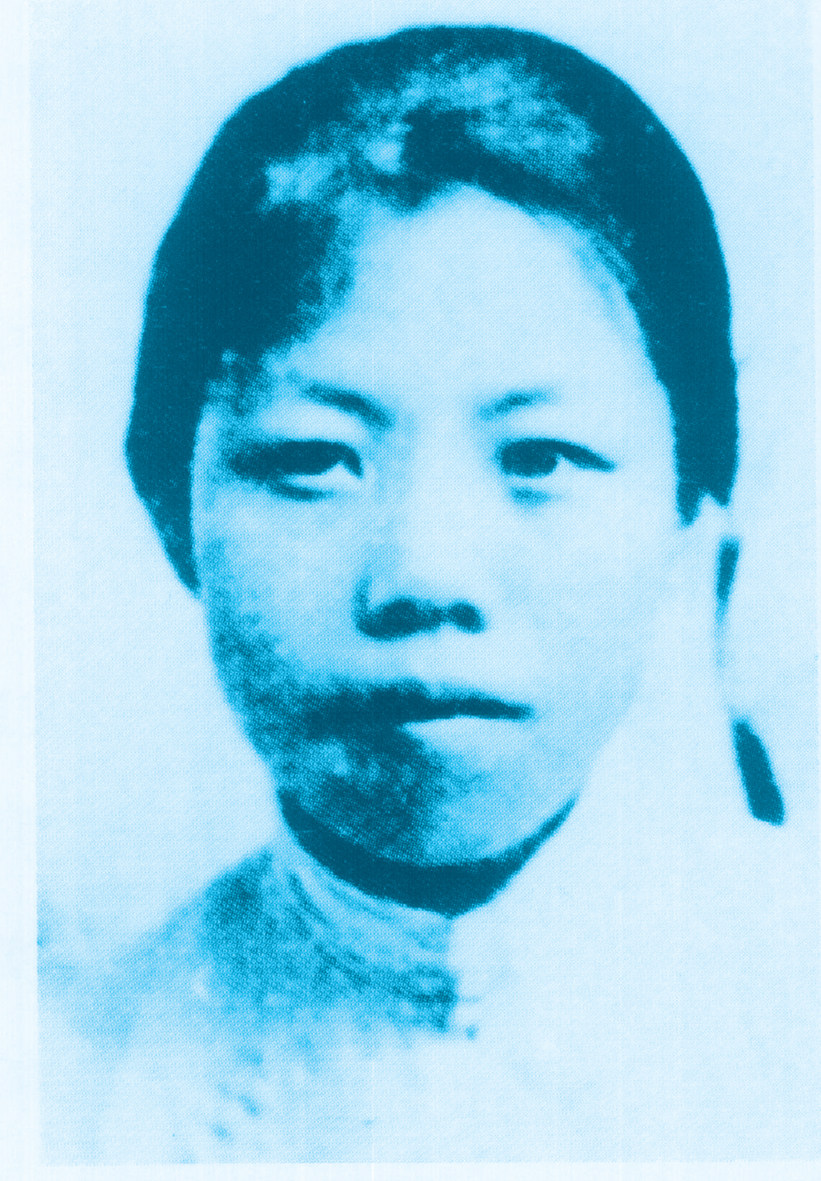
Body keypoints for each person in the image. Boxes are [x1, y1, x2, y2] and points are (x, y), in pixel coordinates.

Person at [40, 24, 815, 1163]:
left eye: (539, 458)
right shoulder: (64, 1073)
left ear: (685, 502)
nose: (423, 576)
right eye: (313, 460)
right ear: (172, 506)